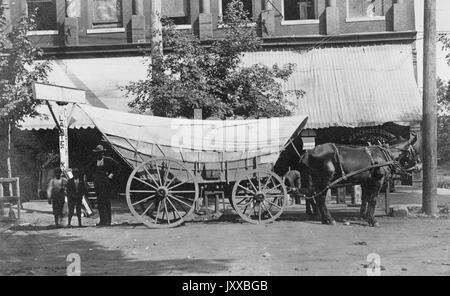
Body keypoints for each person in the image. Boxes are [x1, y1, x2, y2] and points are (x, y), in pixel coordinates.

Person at [90, 144, 119, 227]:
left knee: (106, 202)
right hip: (98, 184)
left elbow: (118, 167)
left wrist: (112, 174)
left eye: (101, 153)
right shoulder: (94, 161)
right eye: (97, 153)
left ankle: (108, 221)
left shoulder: (108, 160)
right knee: (100, 203)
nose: (99, 155)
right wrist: (93, 177)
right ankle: (102, 221)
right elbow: (89, 169)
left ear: (103, 153)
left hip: (106, 184)